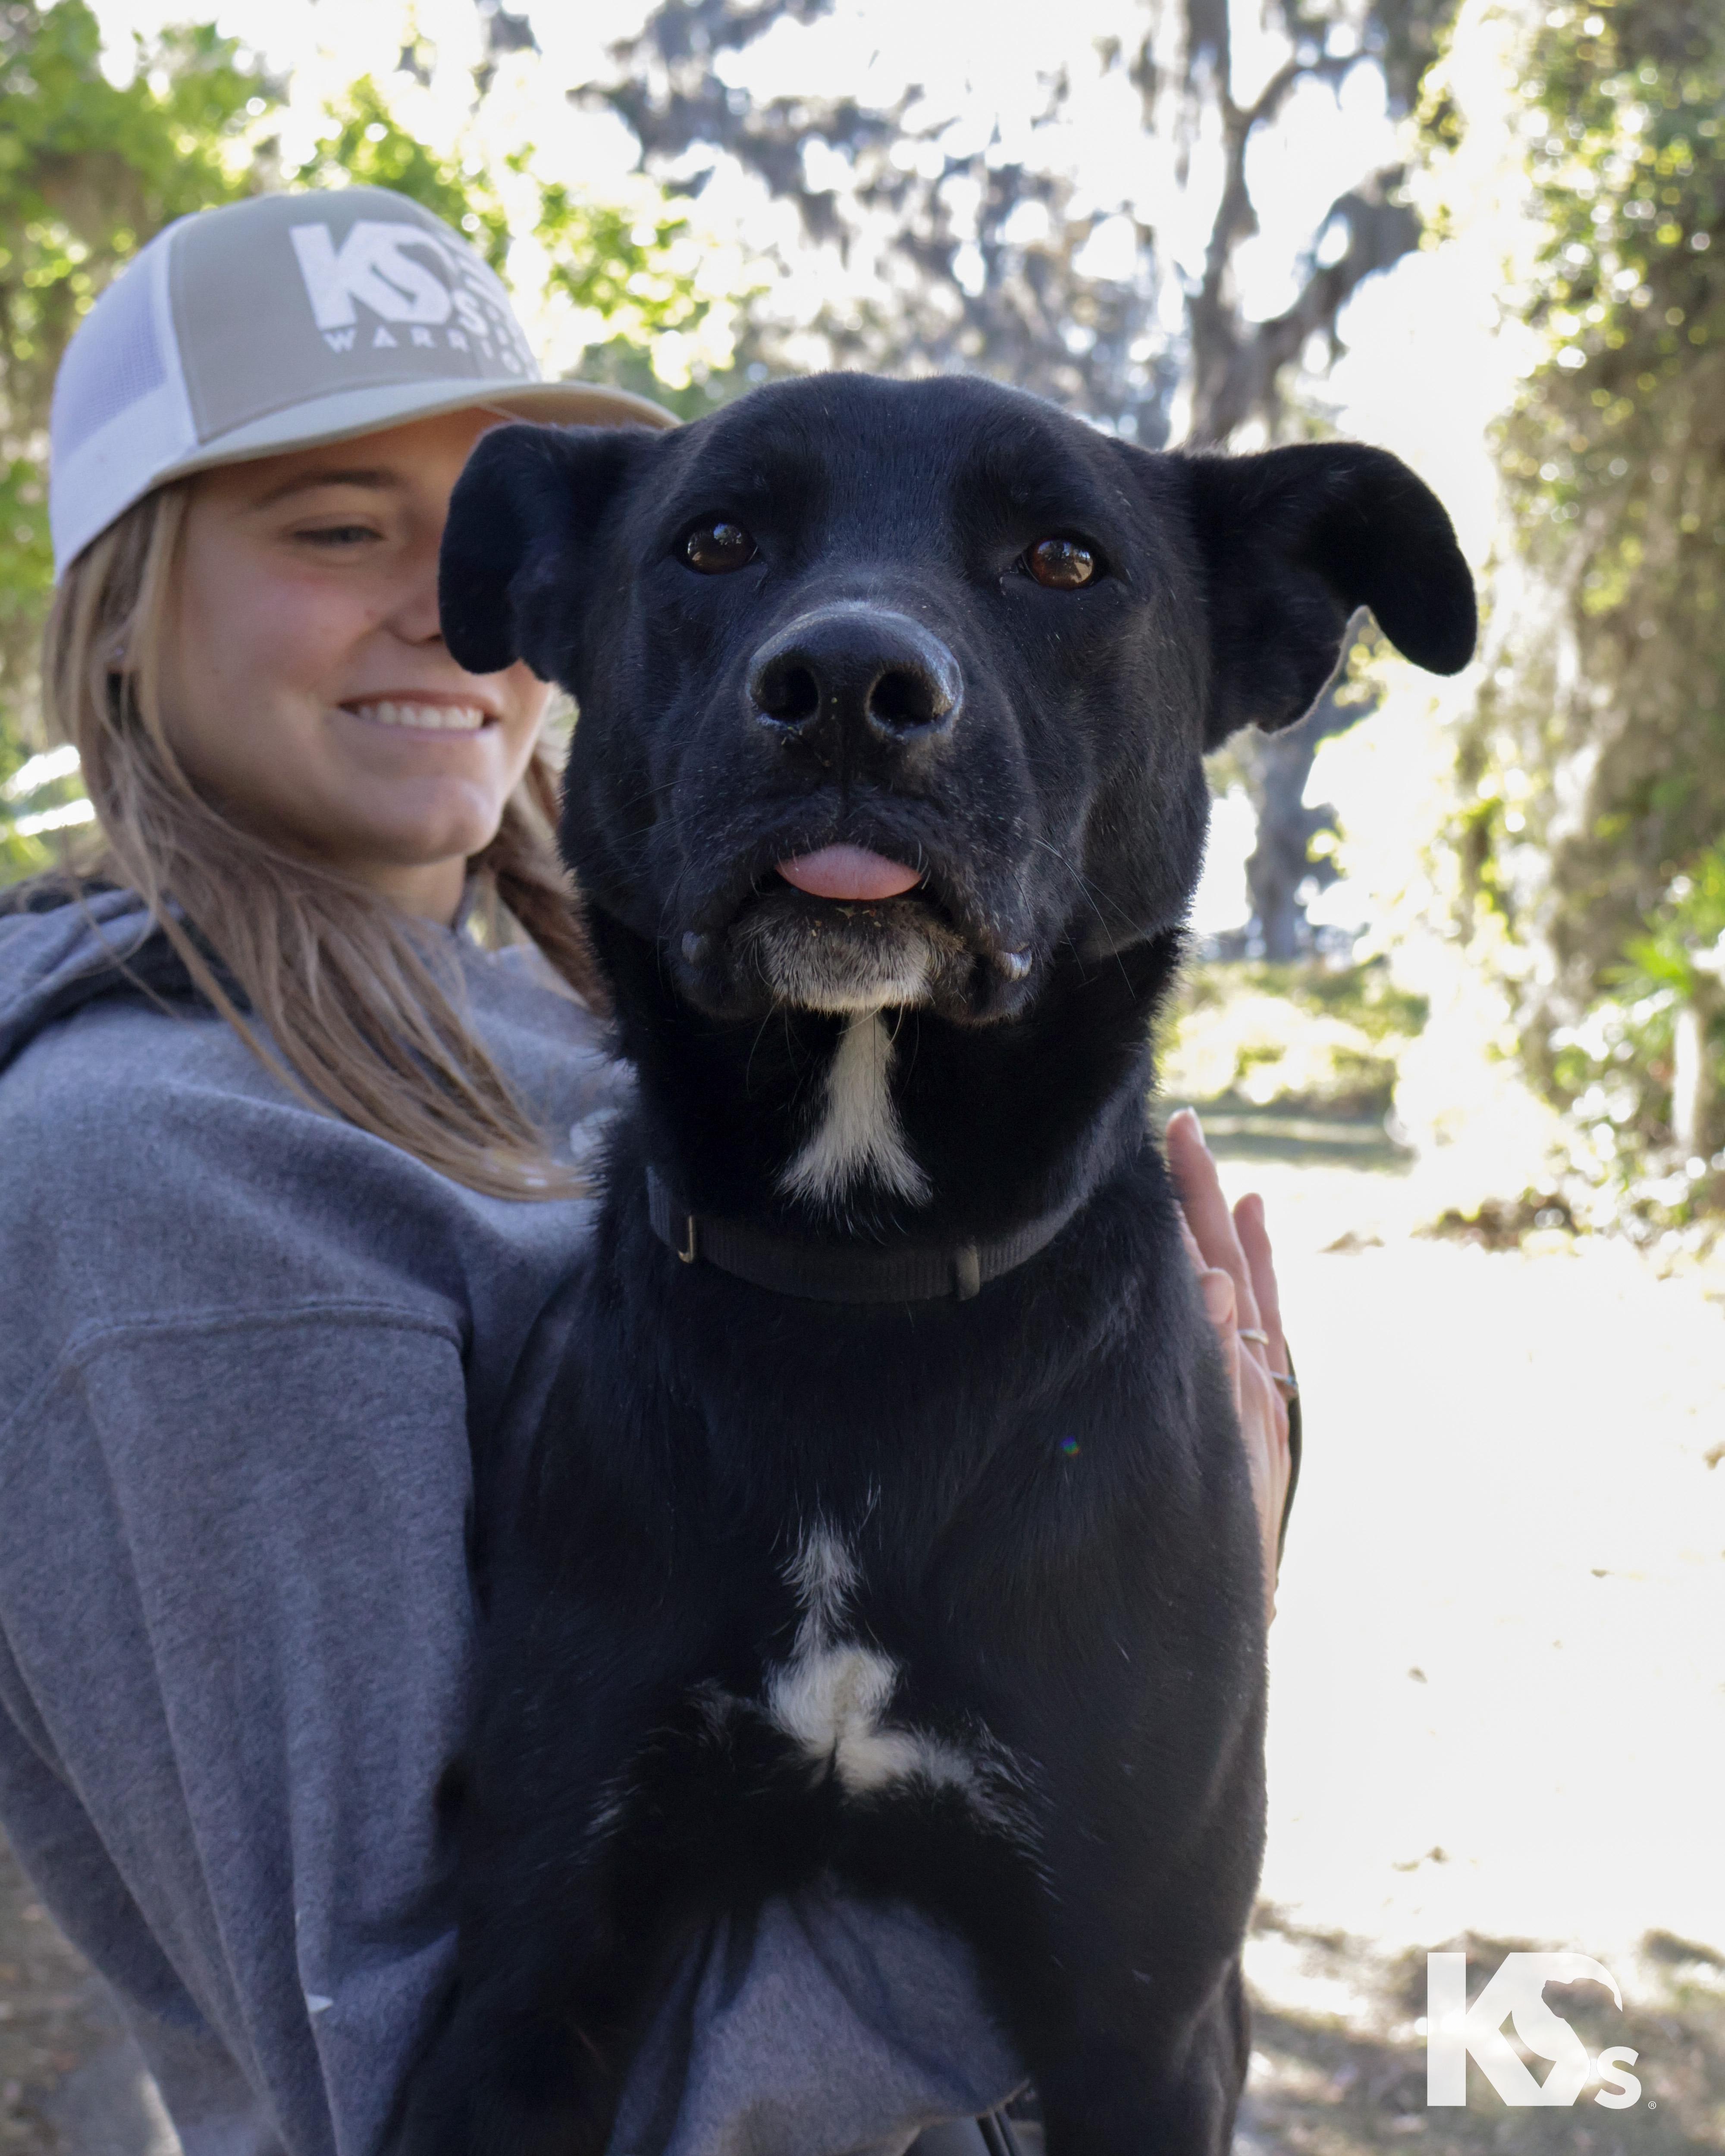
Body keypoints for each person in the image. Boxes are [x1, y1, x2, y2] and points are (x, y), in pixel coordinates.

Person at [0, 185, 1295, 2156]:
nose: (451, 608)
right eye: (337, 529)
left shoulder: (571, 1027)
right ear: (117, 606)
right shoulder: (162, 1192)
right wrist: (1165, 1729)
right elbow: (411, 2062)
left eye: (487, 543)